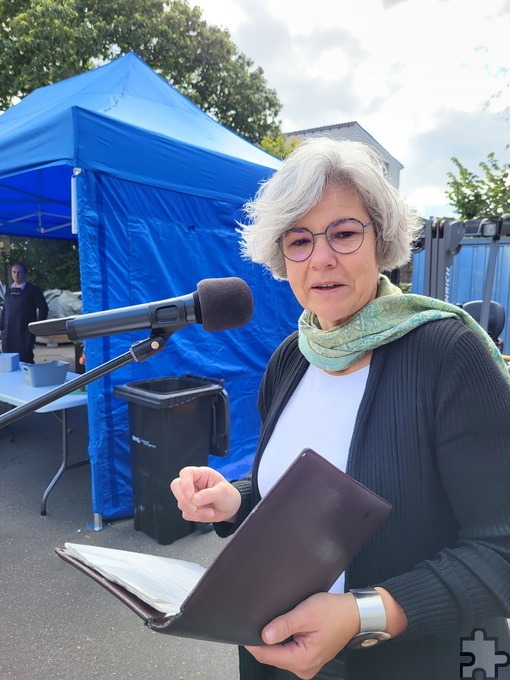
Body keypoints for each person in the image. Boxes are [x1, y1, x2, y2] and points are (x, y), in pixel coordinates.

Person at [171, 138, 510, 680]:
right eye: (299, 240)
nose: (322, 257)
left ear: (382, 240)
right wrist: (233, 500)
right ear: (282, 258)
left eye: (345, 233)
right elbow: (288, 496)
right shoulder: (291, 358)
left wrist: (362, 615)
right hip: (272, 655)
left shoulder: (449, 356)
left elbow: (500, 551)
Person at [0, 262, 49, 363]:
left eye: (19, 272)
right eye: (14, 272)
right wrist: (0, 327)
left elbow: (43, 308)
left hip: (25, 334)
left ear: (25, 274)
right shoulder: (9, 291)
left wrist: (38, 326)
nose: (16, 275)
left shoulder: (33, 290)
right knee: (9, 362)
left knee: (25, 359)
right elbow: (5, 310)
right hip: (9, 335)